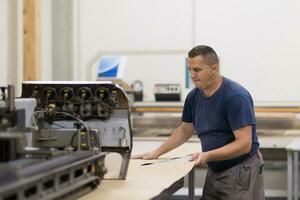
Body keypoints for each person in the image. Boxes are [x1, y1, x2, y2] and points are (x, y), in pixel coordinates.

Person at [132, 45, 265, 200]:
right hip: (215, 167)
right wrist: (156, 152)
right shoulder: (194, 96)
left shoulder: (235, 97)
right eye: (190, 70)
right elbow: (185, 130)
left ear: (214, 68)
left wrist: (208, 155)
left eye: (197, 70)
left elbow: (244, 144)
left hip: (239, 169)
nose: (192, 75)